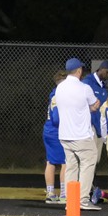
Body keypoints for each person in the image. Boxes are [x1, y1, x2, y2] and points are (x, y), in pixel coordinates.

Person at [55, 57, 102, 211]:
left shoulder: (60, 88)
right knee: (88, 164)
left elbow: (75, 107)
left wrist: (86, 108)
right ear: (79, 70)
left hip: (64, 134)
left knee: (71, 167)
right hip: (81, 135)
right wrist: (92, 107)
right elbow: (94, 104)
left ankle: (71, 200)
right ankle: (83, 199)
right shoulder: (84, 88)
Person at [82, 60, 108, 171]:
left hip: (100, 126)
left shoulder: (103, 86)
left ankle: (90, 181)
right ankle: (85, 182)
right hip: (90, 126)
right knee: (89, 160)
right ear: (101, 69)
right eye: (107, 72)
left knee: (96, 160)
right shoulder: (88, 82)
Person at [43, 70, 67, 204]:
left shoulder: (54, 93)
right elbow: (57, 118)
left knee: (51, 162)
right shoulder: (59, 95)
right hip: (56, 131)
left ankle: (50, 192)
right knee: (65, 162)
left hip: (48, 130)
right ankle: (64, 194)